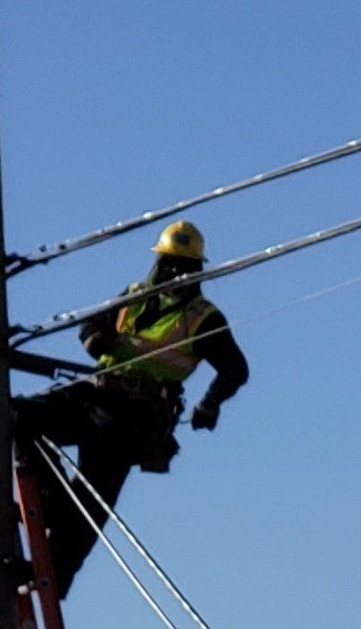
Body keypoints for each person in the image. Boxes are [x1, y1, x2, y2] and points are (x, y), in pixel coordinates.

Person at [13, 219, 249, 598]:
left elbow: (236, 370)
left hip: (134, 417)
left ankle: (52, 573)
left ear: (196, 271)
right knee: (17, 415)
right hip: (95, 395)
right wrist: (94, 338)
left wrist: (209, 404)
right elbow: (92, 324)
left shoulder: (203, 317)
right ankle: (51, 502)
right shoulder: (134, 294)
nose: (173, 272)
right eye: (168, 263)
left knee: (90, 500)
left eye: (182, 267)